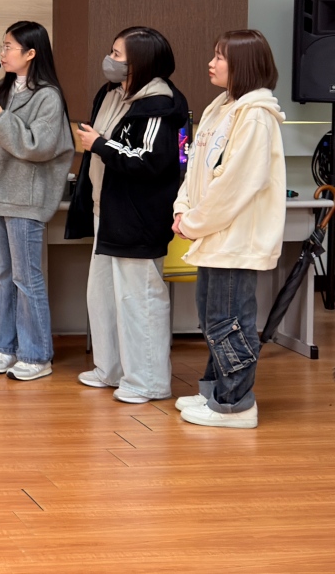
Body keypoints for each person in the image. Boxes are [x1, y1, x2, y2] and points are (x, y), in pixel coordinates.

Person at [66, 27, 188, 404]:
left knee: (140, 299)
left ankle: (148, 382)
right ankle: (110, 369)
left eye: (118, 54)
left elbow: (149, 160)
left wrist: (100, 145)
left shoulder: (159, 104)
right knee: (102, 295)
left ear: (140, 62)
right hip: (107, 210)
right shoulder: (110, 93)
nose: (111, 59)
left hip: (138, 216)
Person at [172, 29, 286, 429]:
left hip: (236, 238)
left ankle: (236, 404)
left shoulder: (256, 116)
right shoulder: (221, 106)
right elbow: (196, 169)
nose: (211, 63)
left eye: (220, 57)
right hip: (213, 234)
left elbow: (236, 183)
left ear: (244, 65)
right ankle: (214, 393)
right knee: (212, 317)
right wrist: (183, 209)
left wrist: (194, 221)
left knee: (229, 321)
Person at [0, 20, 75, 381]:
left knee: (27, 278)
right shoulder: (5, 89)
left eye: (9, 47)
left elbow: (36, 145)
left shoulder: (47, 97)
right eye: (3, 45)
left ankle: (36, 355)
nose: (3, 52)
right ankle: (6, 347)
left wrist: (0, 117)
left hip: (24, 199)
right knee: (3, 276)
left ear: (31, 53)